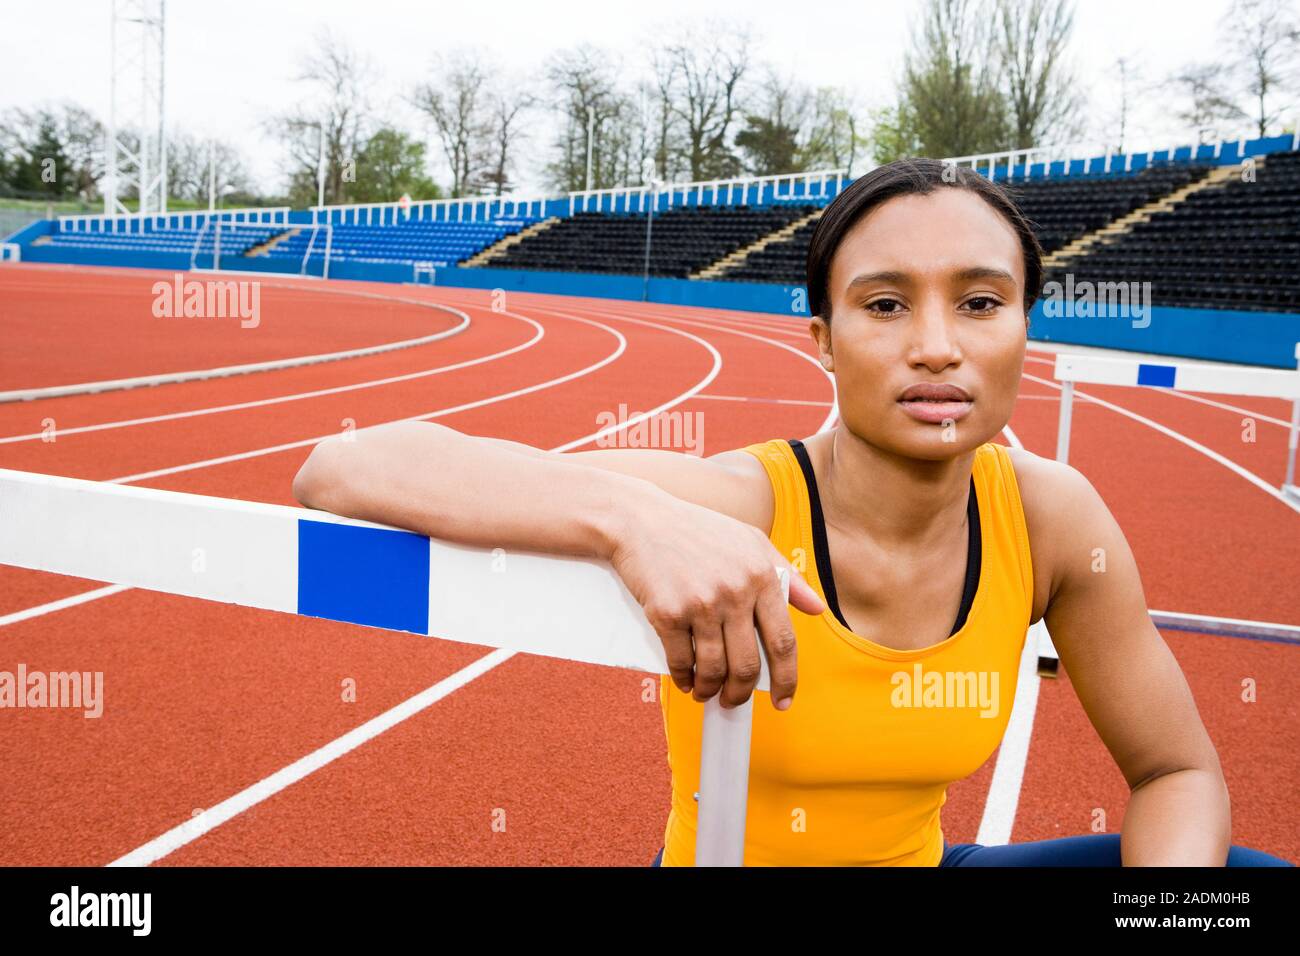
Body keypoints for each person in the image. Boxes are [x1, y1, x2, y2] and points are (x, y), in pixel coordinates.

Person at [291, 157, 1292, 867]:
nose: (937, 345)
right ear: (820, 335)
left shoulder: (1052, 516)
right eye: (885, 303)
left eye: (980, 302)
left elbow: (1175, 771)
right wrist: (630, 519)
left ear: (1025, 325)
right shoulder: (744, 496)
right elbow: (342, 465)